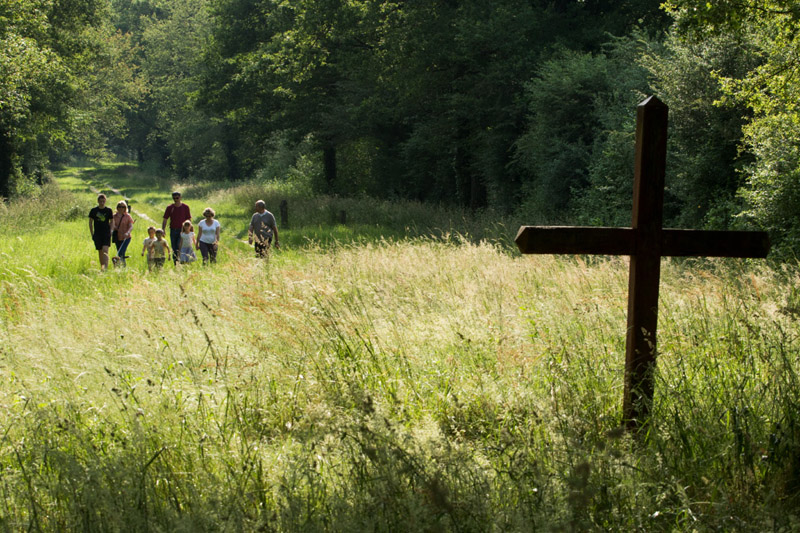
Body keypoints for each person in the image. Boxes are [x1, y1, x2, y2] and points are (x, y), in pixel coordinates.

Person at [162, 191, 190, 265]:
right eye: (174, 198)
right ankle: (176, 264)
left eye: (177, 198)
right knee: (174, 248)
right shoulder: (170, 207)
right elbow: (165, 219)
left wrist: (189, 230)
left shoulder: (185, 207)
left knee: (179, 247)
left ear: (180, 197)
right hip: (173, 230)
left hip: (182, 230)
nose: (175, 199)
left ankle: (181, 262)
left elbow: (189, 219)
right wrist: (163, 229)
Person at [88, 193, 114, 270]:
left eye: (103, 201)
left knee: (105, 250)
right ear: (98, 201)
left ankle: (105, 267)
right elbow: (90, 222)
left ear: (105, 201)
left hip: (106, 233)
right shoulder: (94, 211)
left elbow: (112, 221)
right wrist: (92, 233)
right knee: (100, 251)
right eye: (100, 201)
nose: (102, 203)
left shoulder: (108, 210)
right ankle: (102, 267)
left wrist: (111, 231)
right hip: (97, 234)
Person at [111, 200, 134, 267]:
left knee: (121, 252)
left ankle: (122, 266)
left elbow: (131, 226)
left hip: (126, 238)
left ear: (125, 208)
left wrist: (127, 232)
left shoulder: (128, 216)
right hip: (117, 237)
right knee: (119, 253)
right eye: (120, 206)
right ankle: (120, 266)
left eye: (123, 207)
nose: (121, 208)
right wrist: (114, 227)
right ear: (117, 207)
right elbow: (111, 225)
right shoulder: (114, 216)